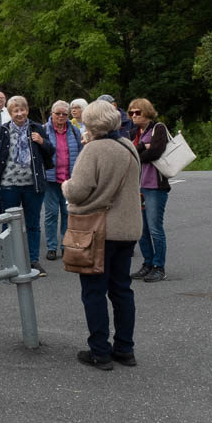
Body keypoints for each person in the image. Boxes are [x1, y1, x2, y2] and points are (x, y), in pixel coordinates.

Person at [63, 100, 142, 371]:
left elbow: (78, 191)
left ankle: (100, 351)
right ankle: (125, 349)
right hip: (128, 228)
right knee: (122, 290)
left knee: (94, 292)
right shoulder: (128, 146)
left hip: (98, 230)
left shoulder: (93, 150)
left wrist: (65, 186)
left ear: (91, 124)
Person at [0, 95, 54, 276]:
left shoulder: (37, 128)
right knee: (8, 225)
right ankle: (10, 262)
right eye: (15, 110)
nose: (20, 113)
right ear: (10, 113)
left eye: (22, 109)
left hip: (33, 185)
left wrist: (41, 141)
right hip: (9, 186)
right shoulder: (3, 130)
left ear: (27, 110)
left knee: (33, 224)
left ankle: (33, 261)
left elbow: (51, 150)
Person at [128, 98, 172, 283]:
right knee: (141, 229)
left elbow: (155, 152)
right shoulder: (134, 132)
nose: (134, 116)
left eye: (137, 112)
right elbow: (129, 154)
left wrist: (138, 150)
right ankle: (147, 264)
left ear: (147, 112)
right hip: (137, 186)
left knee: (155, 228)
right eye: (131, 113)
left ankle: (159, 267)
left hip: (155, 186)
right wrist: (141, 147)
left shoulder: (158, 128)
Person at [43, 100, 82, 261]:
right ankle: (52, 247)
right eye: (57, 113)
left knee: (67, 214)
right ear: (51, 114)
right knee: (51, 214)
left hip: (69, 180)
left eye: (64, 114)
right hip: (50, 180)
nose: (60, 116)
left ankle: (66, 246)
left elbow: (81, 152)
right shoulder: (44, 130)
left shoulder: (74, 130)